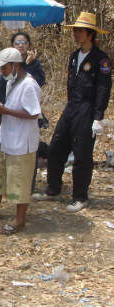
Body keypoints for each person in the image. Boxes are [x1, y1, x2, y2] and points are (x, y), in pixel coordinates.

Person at [34, 12, 112, 212]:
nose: (76, 34)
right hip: (71, 107)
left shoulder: (100, 59)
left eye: (79, 31)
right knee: (56, 148)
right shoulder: (74, 57)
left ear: (90, 34)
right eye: (75, 30)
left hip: (87, 110)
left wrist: (98, 117)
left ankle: (80, 196)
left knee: (82, 154)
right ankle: (53, 188)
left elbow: (103, 89)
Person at [0, 48, 42, 234]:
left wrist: (6, 111)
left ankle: (19, 220)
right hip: (6, 136)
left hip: (21, 140)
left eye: (4, 68)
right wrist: (0, 108)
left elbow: (34, 113)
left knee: (20, 180)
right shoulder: (11, 83)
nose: (2, 72)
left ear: (15, 66)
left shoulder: (29, 85)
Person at [0, 32, 45, 104]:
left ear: (29, 45)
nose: (21, 45)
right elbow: (2, 87)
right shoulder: (8, 64)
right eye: (17, 43)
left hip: (29, 103)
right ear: (12, 46)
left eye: (24, 42)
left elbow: (39, 82)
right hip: (10, 105)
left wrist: (30, 64)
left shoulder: (34, 63)